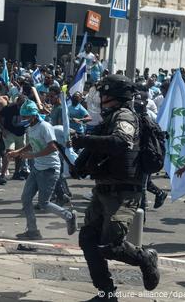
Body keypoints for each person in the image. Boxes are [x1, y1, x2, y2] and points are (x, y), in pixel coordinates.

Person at [72, 74, 159, 300]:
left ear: (115, 96)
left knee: (111, 245)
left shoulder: (125, 116)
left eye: (105, 94)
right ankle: (106, 294)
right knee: (89, 240)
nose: (101, 99)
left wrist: (84, 140)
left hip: (124, 192)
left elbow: (121, 142)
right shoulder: (107, 120)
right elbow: (97, 153)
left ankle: (145, 258)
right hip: (103, 189)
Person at [5, 99, 77, 240]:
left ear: (33, 115)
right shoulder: (31, 128)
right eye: (23, 116)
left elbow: (52, 147)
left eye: (26, 116)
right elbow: (32, 144)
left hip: (49, 169)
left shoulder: (44, 126)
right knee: (26, 199)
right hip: (37, 168)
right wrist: (18, 152)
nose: (24, 119)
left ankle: (68, 216)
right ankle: (32, 231)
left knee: (44, 203)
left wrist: (32, 156)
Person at [0, 94, 28, 182]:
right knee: (9, 152)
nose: (21, 107)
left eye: (23, 105)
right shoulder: (9, 108)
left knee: (19, 153)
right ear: (17, 102)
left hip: (21, 133)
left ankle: (16, 173)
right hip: (9, 132)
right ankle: (2, 175)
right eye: (20, 104)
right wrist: (2, 129)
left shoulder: (28, 108)